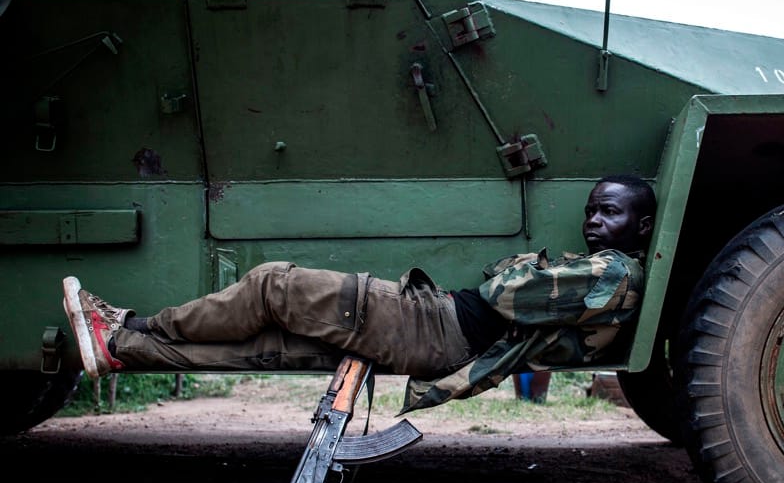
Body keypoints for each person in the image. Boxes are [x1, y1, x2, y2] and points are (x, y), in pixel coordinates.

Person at [63, 175, 656, 412]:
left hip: (432, 325)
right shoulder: (603, 274)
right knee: (263, 345)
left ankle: (138, 323)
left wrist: (519, 268)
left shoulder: (616, 274)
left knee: (274, 285)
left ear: (643, 226)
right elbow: (514, 286)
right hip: (440, 335)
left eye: (609, 211)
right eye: (590, 210)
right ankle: (118, 345)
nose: (594, 221)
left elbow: (504, 288)